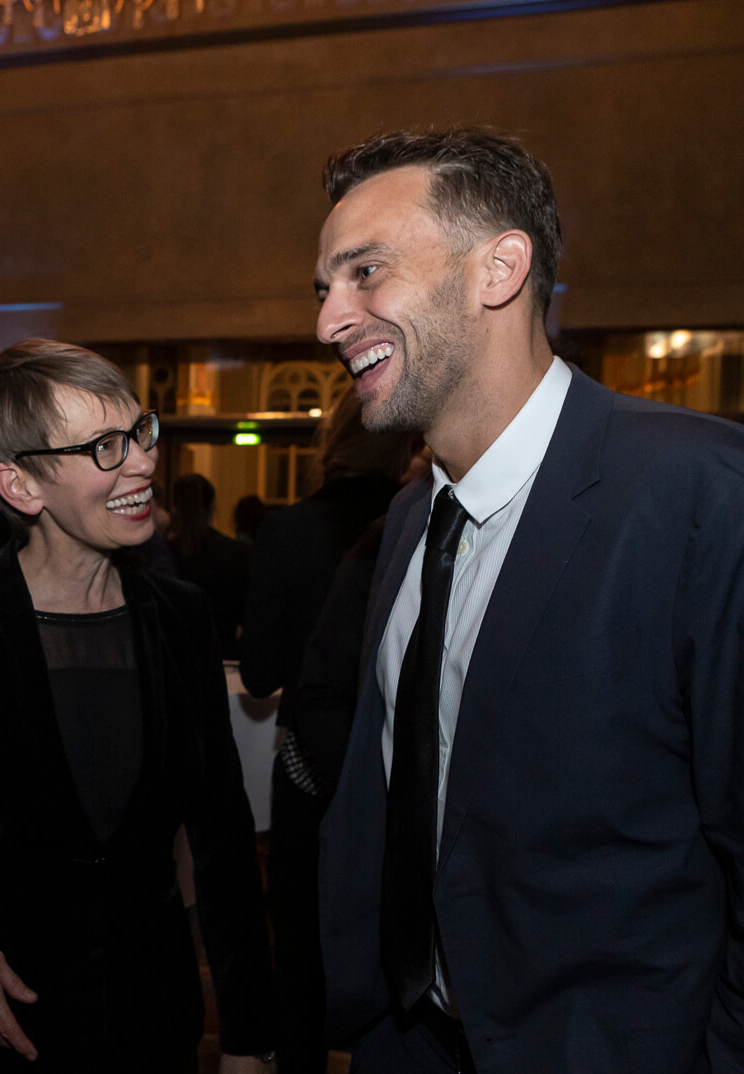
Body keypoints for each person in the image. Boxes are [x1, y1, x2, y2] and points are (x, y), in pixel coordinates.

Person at [313, 128, 744, 1072]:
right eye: (324, 289)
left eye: (366, 273)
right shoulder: (410, 522)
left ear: (498, 269)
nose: (329, 322)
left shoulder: (701, 495)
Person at [0, 339, 277, 1073]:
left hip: (151, 1027)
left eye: (140, 432)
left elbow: (220, 832)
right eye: (106, 446)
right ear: (22, 486)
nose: (144, 461)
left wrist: (247, 1032)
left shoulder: (180, 616)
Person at [237, 392, 414, 1074]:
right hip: (403, 763)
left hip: (311, 769)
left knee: (302, 954)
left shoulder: (289, 530)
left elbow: (258, 676)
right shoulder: (423, 516)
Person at [168, 472, 250, 660]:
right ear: (212, 506)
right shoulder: (234, 552)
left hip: (177, 655)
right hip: (223, 653)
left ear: (175, 507)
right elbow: (244, 610)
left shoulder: (167, 555)